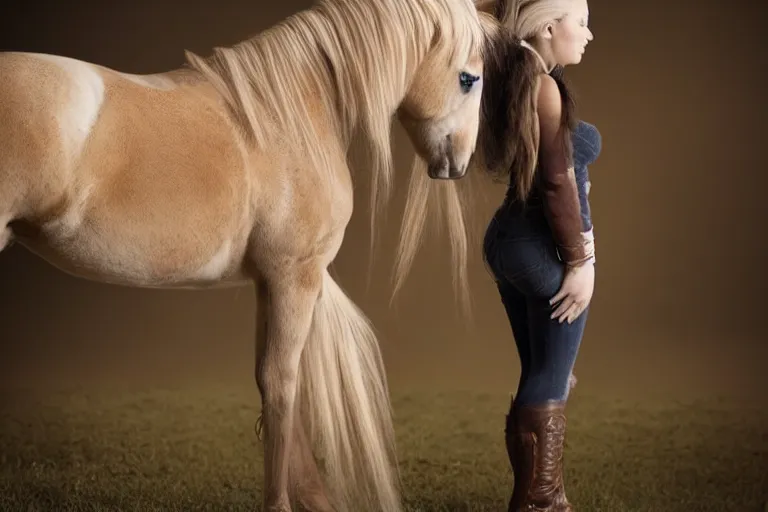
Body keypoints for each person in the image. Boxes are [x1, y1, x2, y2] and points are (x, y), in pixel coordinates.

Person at [474, 0, 601, 510]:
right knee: (550, 376)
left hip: (507, 242)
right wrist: (581, 261)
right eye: (583, 23)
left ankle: (535, 497)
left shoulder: (513, 73)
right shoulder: (541, 87)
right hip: (535, 243)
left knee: (540, 371)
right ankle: (541, 502)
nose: (589, 35)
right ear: (550, 26)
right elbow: (554, 182)